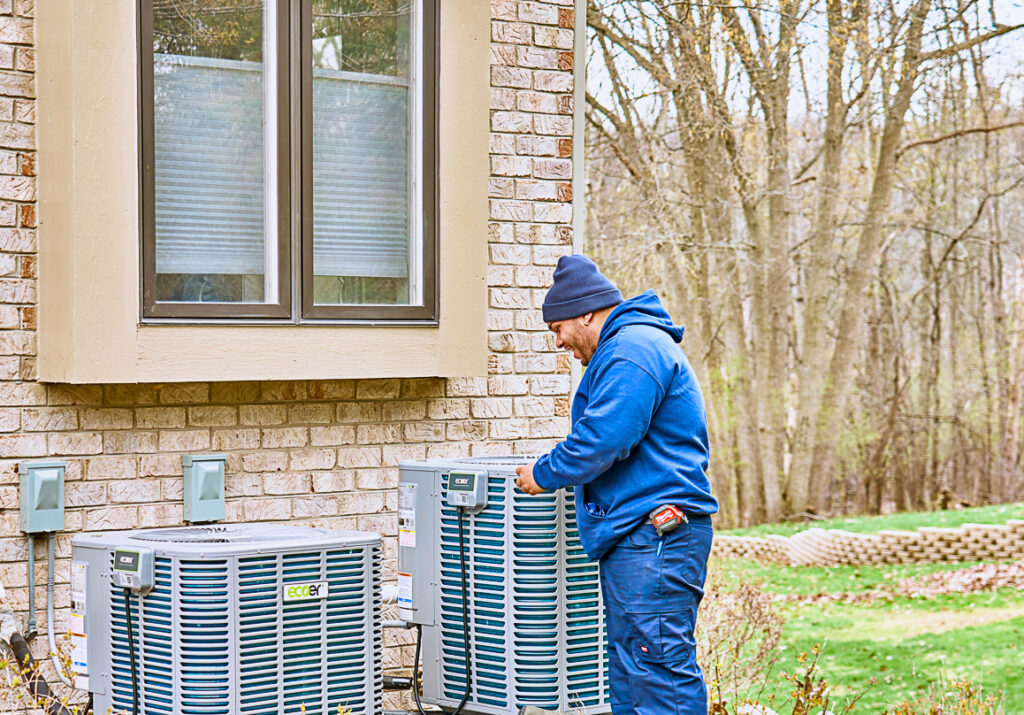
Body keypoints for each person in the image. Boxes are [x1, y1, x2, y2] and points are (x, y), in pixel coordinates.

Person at [515, 254, 718, 715]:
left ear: (586, 312)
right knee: (632, 670)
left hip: (658, 536)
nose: (560, 342)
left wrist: (542, 473)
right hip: (638, 537)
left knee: (659, 668)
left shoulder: (633, 349)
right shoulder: (625, 347)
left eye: (558, 329)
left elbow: (604, 439)